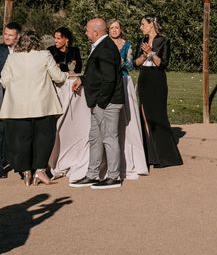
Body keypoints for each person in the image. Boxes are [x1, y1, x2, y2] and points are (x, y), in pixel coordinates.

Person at [0, 30, 67, 186]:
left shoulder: (12, 57)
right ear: (38, 41)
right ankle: (40, 171)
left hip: (18, 107)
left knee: (21, 140)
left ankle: (26, 172)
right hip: (42, 105)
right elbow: (58, 77)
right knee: (44, 138)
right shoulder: (44, 55)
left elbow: (4, 80)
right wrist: (66, 76)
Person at [70, 18, 125, 189]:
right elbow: (98, 73)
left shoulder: (106, 48)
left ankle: (114, 176)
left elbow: (109, 80)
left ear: (96, 32)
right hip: (100, 102)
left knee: (109, 138)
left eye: (87, 30)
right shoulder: (103, 46)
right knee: (95, 138)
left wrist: (101, 103)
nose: (85, 33)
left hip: (107, 102)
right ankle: (92, 174)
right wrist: (83, 79)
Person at [133, 15, 183, 169]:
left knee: (158, 115)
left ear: (151, 24)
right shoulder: (141, 41)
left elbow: (163, 64)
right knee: (145, 115)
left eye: (143, 24)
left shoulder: (164, 40)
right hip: (144, 78)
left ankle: (166, 156)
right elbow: (136, 63)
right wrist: (143, 54)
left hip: (157, 79)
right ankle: (150, 155)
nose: (141, 27)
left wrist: (151, 53)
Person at [107, 19, 148, 180]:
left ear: (121, 29)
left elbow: (130, 65)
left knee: (127, 118)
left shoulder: (127, 44)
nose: (114, 30)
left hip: (124, 81)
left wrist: (120, 61)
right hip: (109, 82)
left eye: (117, 27)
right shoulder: (104, 44)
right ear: (108, 30)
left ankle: (132, 156)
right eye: (111, 28)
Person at [0, 21, 21, 179]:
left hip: (21, 95)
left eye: (10, 35)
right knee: (1, 129)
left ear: (18, 36)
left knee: (20, 129)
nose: (6, 37)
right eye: (5, 34)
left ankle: (20, 163)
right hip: (2, 93)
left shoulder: (23, 51)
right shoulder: (0, 50)